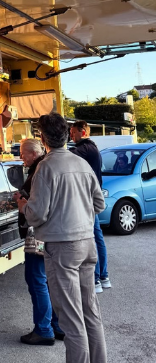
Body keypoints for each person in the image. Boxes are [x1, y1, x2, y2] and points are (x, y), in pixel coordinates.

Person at [15, 113, 108, 363]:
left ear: (42, 139)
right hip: (87, 245)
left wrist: (23, 205)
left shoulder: (46, 167)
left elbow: (37, 214)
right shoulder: (81, 163)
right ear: (67, 134)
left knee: (70, 318)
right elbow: (99, 203)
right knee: (90, 312)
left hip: (62, 247)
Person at [17, 138, 64, 346]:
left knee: (37, 280)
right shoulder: (53, 166)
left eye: (23, 153)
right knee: (48, 280)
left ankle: (44, 329)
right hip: (54, 232)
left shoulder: (39, 171)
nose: (20, 157)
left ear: (34, 154)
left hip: (38, 234)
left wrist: (20, 202)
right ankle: (57, 325)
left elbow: (36, 208)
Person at [69, 121, 112, 294]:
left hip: (87, 199)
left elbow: (66, 155)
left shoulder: (85, 147)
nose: (71, 135)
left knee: (91, 238)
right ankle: (103, 276)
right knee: (97, 236)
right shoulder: (91, 148)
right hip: (91, 197)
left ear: (83, 132)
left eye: (73, 132)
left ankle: (95, 279)